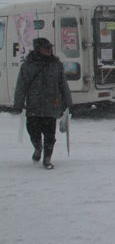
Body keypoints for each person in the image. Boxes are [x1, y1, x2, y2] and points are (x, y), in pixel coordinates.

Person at [12, 37, 72, 169]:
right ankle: (38, 147)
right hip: (34, 105)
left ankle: (47, 159)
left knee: (50, 134)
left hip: (51, 104)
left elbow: (63, 84)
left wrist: (68, 101)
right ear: (38, 49)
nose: (50, 50)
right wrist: (18, 103)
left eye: (50, 47)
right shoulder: (28, 66)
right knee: (33, 131)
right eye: (46, 48)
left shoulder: (56, 65)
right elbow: (21, 86)